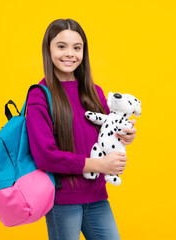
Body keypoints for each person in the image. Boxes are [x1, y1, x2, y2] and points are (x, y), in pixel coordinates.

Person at [26, 19, 137, 240]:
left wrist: (126, 135)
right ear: (48, 49)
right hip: (63, 201)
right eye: (61, 46)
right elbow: (45, 156)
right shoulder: (39, 95)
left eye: (77, 48)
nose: (70, 54)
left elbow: (107, 132)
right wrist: (99, 164)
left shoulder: (94, 92)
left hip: (96, 196)